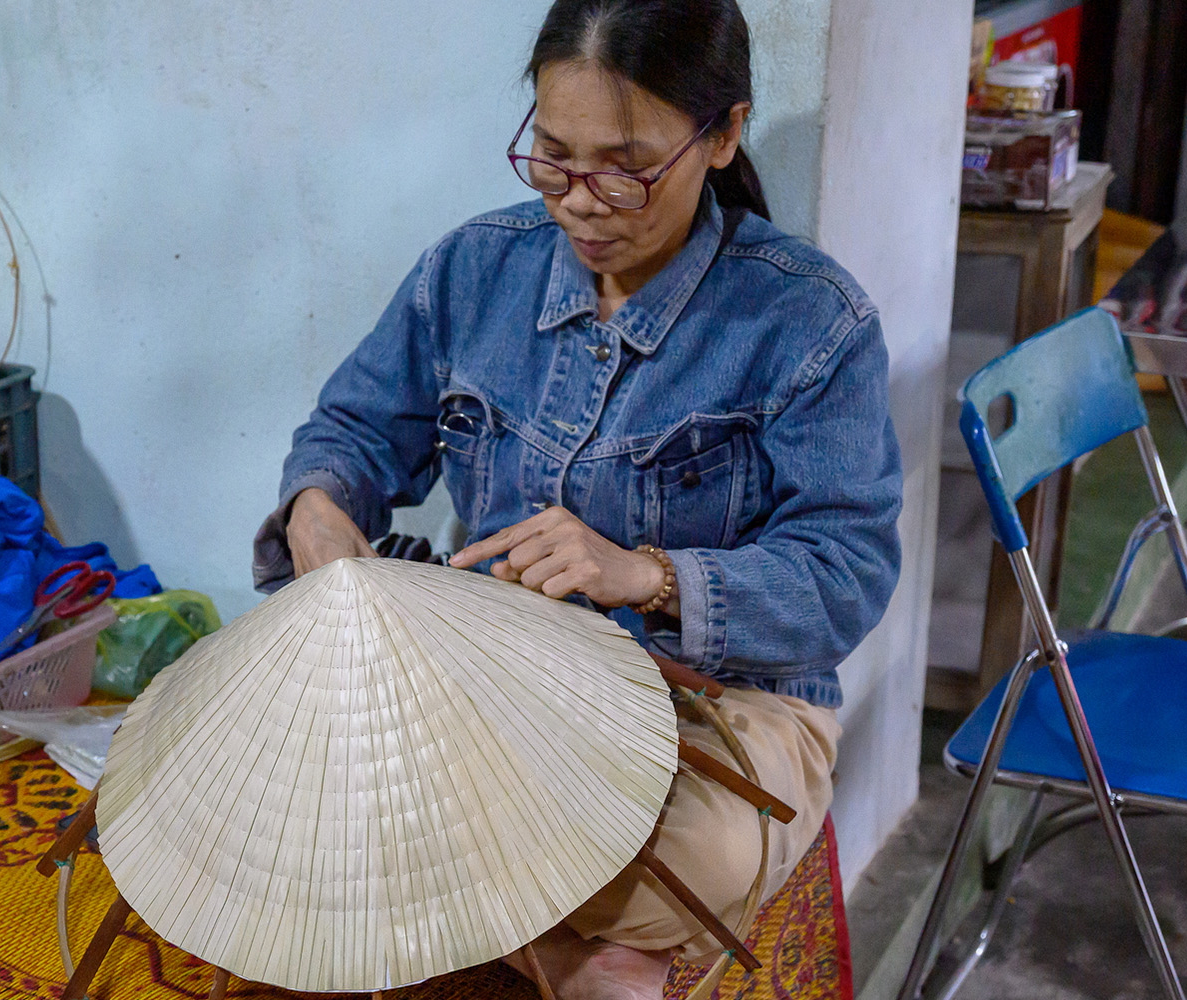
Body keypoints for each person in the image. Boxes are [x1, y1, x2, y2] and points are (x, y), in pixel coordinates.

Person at [252, 0, 901, 996]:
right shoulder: (474, 268)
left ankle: (490, 925)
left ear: (722, 134)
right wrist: (320, 509)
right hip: (499, 690)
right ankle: (584, 957)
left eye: (625, 166)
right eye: (552, 157)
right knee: (259, 796)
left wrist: (648, 574)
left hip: (718, 707)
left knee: (704, 854)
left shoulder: (807, 319)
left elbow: (845, 575)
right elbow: (350, 429)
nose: (581, 201)